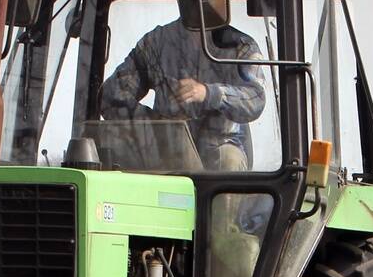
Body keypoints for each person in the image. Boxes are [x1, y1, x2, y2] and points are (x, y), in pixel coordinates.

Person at [100, 21, 266, 172]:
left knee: (229, 161)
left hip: (220, 145)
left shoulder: (240, 46)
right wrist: (157, 123)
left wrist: (210, 93)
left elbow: (256, 98)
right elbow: (110, 97)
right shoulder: (157, 43)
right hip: (167, 154)